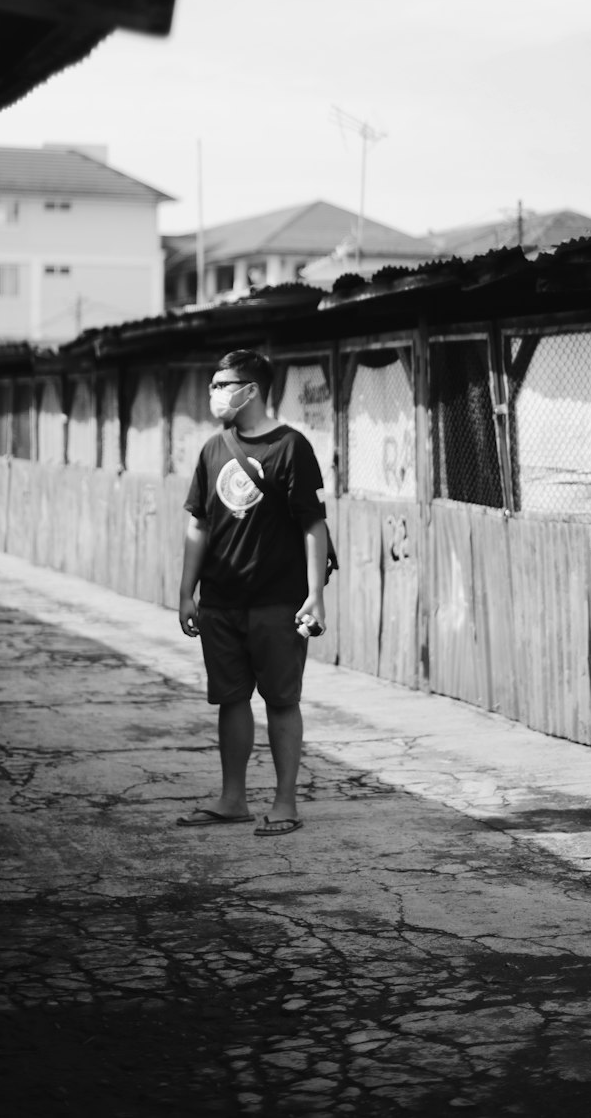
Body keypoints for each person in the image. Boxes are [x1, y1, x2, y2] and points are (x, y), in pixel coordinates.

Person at [177, 348, 328, 837]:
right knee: (231, 699)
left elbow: (313, 524)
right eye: (214, 385)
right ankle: (232, 799)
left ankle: (286, 804)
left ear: (251, 390)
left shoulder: (291, 447)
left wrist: (314, 595)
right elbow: (197, 525)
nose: (216, 393)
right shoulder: (212, 449)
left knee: (281, 700)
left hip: (277, 602)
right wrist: (186, 593)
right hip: (221, 601)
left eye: (224, 385)